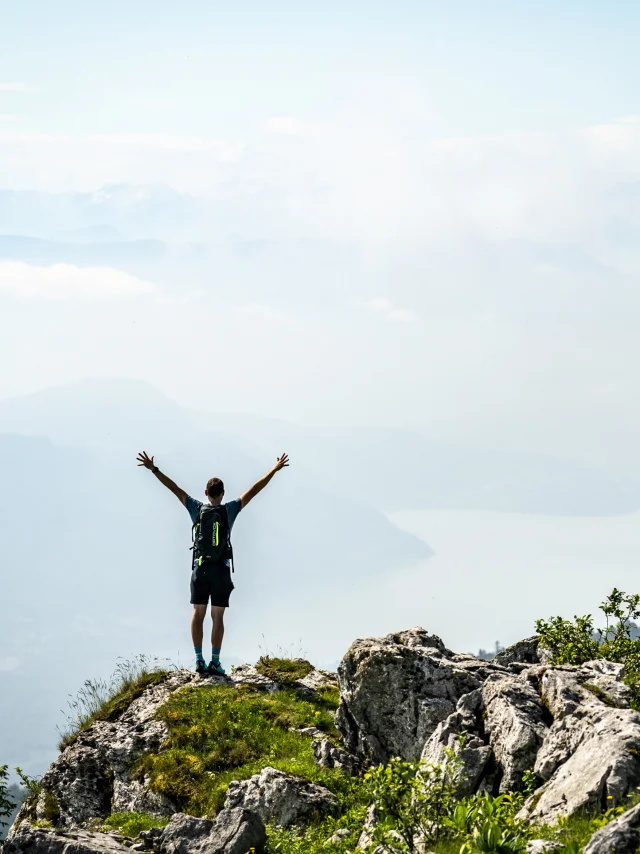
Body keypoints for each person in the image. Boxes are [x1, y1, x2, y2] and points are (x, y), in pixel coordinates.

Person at [136, 450, 290, 675]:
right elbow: (255, 490)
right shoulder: (230, 510)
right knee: (217, 617)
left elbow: (174, 489)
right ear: (223, 493)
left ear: (206, 492)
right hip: (221, 570)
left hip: (201, 569)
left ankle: (198, 659)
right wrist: (274, 470)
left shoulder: (196, 508)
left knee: (197, 615)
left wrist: (154, 470)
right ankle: (215, 661)